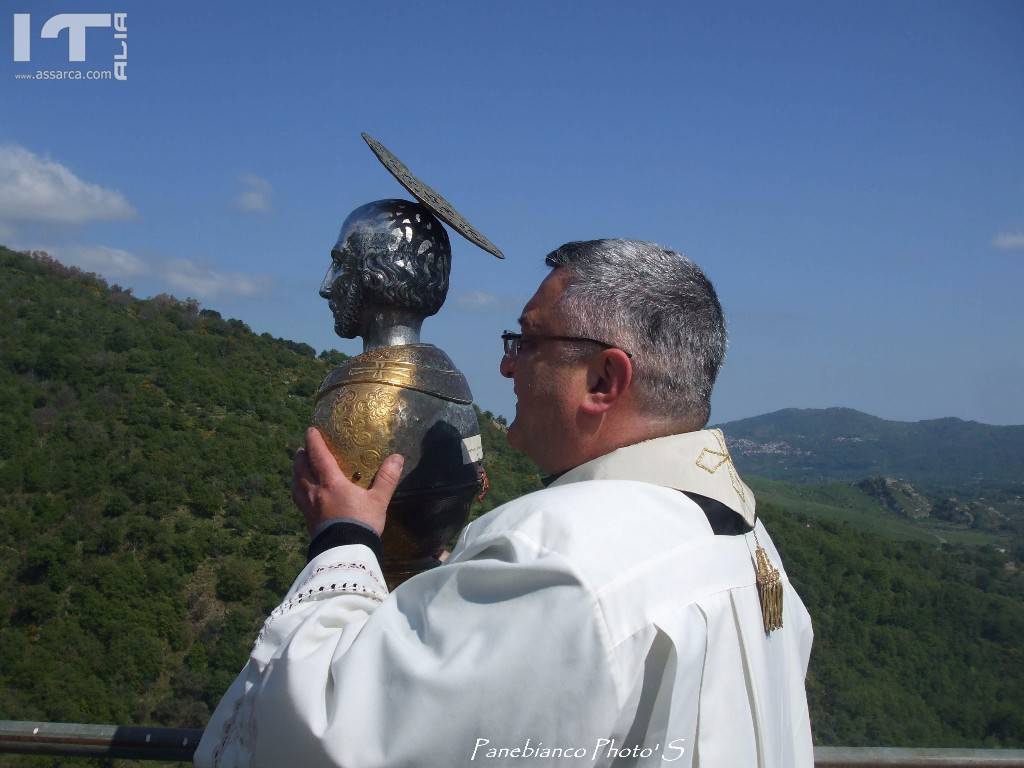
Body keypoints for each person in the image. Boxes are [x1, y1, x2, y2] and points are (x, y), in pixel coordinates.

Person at [195, 239, 814, 768]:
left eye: (527, 342)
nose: (505, 365)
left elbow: (336, 739)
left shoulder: (567, 556)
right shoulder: (749, 545)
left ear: (605, 379)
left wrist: (343, 541)